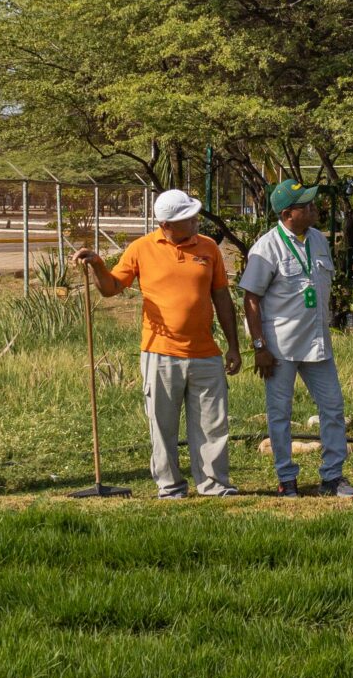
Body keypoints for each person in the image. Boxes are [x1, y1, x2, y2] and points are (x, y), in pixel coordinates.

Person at [75, 188, 242, 498]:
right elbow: (111, 288)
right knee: (162, 425)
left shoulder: (208, 248)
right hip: (160, 353)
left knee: (212, 425)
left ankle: (214, 485)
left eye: (193, 216)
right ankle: (170, 487)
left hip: (206, 352)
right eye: (186, 218)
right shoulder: (141, 249)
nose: (195, 221)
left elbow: (221, 296)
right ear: (166, 224)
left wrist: (233, 345)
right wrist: (98, 265)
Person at [242, 180, 353, 499]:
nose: (313, 208)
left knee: (333, 408)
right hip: (280, 347)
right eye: (305, 205)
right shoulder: (267, 247)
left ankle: (333, 477)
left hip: (317, 342)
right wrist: (259, 348)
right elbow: (251, 299)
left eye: (312, 203)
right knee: (279, 413)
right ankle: (286, 478)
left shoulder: (319, 239)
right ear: (287, 213)